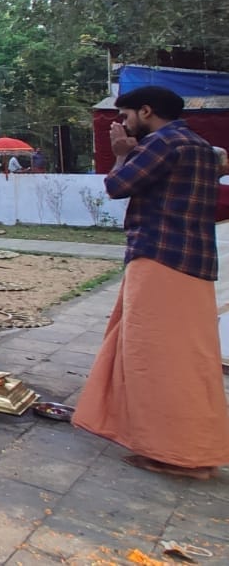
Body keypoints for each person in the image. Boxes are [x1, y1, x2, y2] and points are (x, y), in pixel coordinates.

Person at [72, 85, 229, 479]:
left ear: (147, 111)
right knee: (192, 358)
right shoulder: (201, 147)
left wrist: (122, 153)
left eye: (126, 116)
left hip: (160, 257)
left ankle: (176, 453)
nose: (123, 124)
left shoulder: (162, 143)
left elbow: (116, 187)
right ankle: (195, 448)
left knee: (155, 358)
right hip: (195, 262)